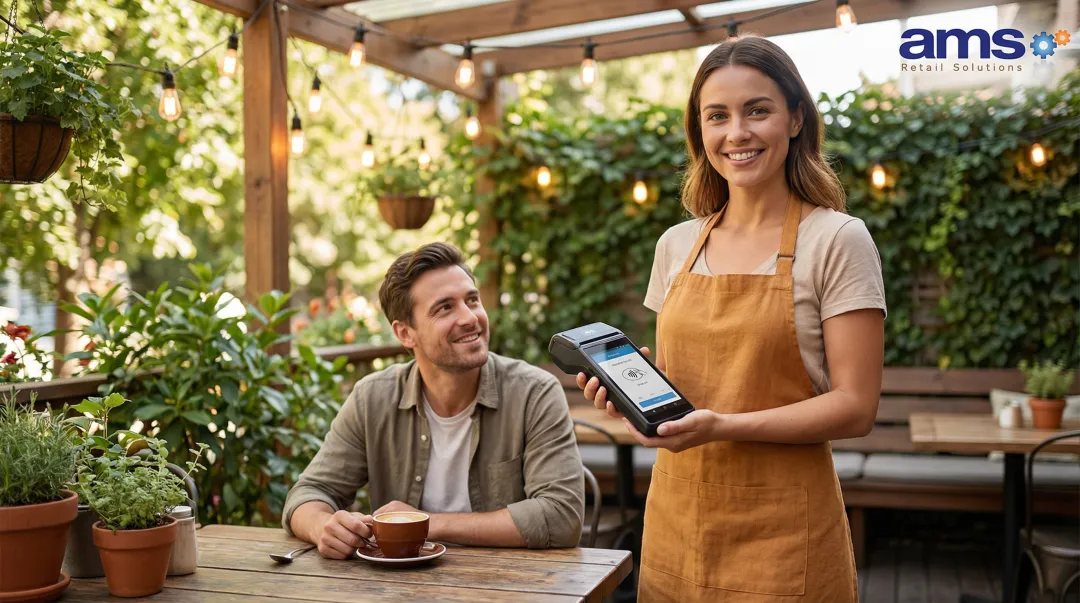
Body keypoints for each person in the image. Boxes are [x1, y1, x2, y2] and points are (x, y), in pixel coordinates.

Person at [577, 35, 885, 602]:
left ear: (795, 118)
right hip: (677, 522)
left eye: (757, 110)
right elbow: (682, 382)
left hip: (785, 534)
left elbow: (856, 407)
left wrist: (724, 426)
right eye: (716, 116)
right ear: (701, 132)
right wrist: (635, 393)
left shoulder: (837, 239)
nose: (736, 133)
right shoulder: (677, 245)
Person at [285, 242, 584, 558]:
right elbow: (308, 494)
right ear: (404, 333)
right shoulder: (371, 399)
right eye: (445, 307)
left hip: (508, 587)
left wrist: (424, 523)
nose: (470, 318)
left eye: (472, 300)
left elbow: (561, 516)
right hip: (396, 588)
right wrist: (324, 527)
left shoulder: (534, 393)